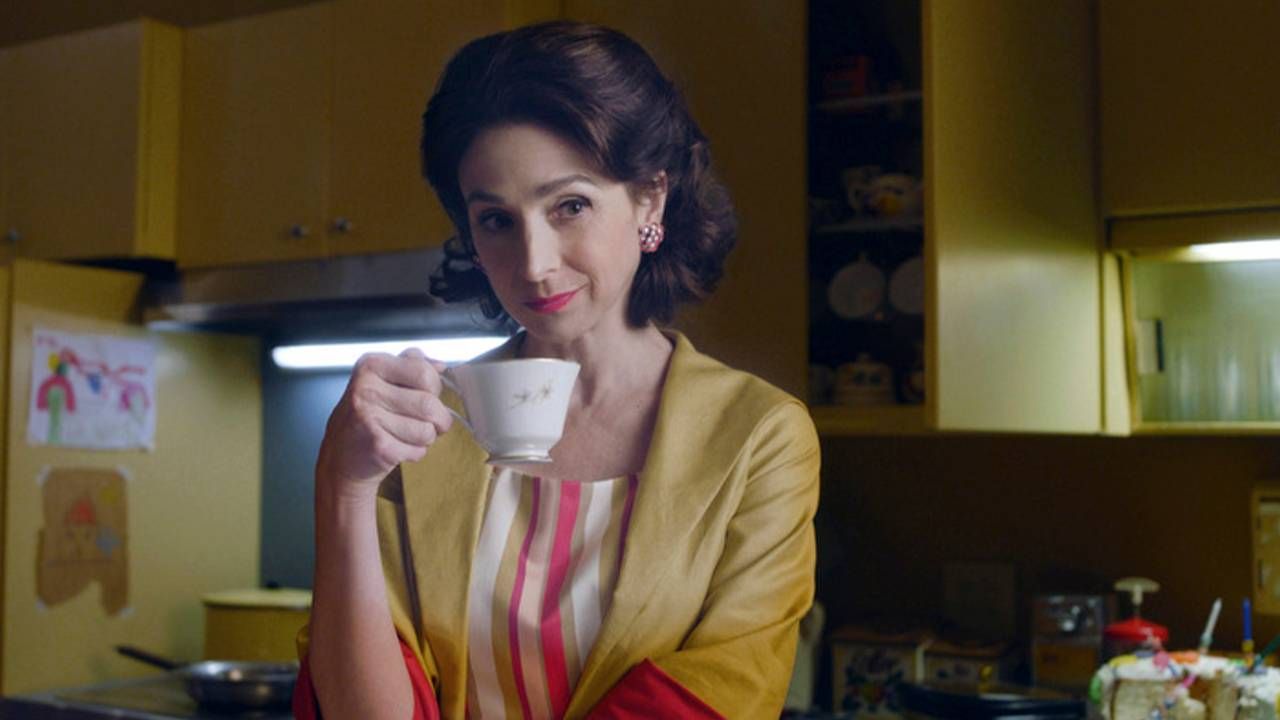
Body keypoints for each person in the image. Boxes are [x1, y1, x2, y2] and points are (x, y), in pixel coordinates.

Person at [293, 20, 820, 720]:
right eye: (496, 220)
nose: (534, 263)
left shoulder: (759, 439)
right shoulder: (418, 421)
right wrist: (343, 487)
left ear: (649, 199)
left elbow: (718, 696)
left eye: (569, 205)